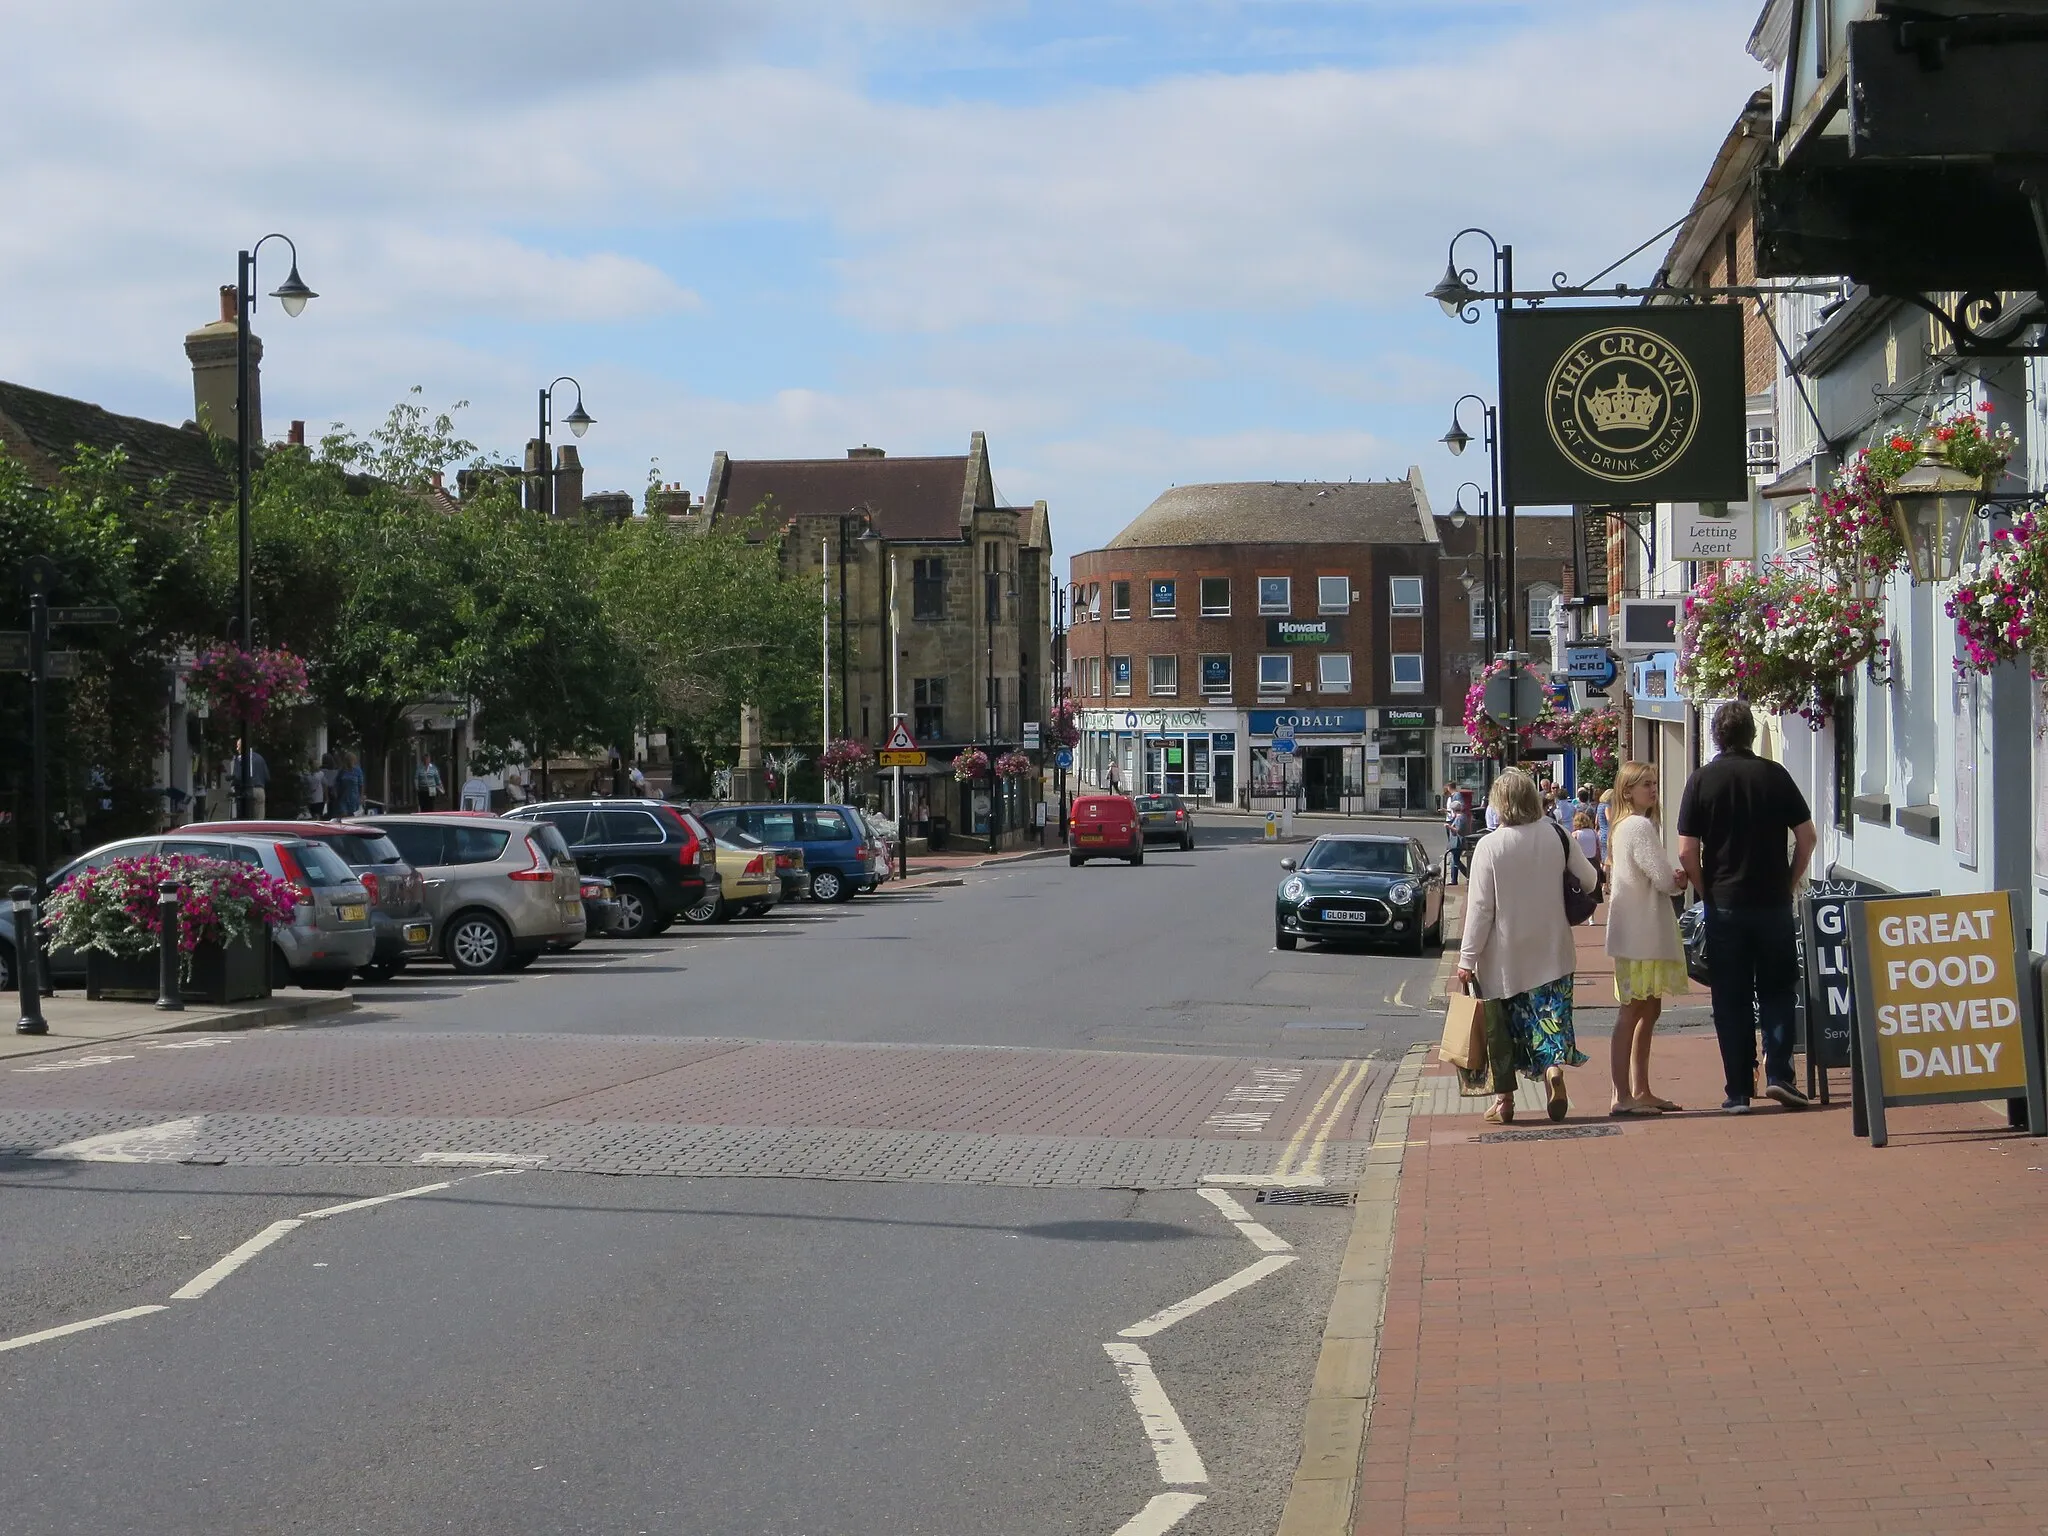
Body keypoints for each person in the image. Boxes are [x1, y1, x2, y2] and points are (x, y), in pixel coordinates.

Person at [1677, 700, 1818, 1114]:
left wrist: (1707, 892)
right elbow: (1807, 836)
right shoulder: (1774, 775)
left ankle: (1738, 1089)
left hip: (1725, 907)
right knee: (1776, 989)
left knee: (1731, 997)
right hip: (1772, 902)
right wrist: (1789, 881)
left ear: (1717, 737)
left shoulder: (1701, 781)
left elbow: (1687, 852)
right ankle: (1780, 1075)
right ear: (1751, 735)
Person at [1456, 767, 1600, 1125]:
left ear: (1499, 805)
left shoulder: (1489, 847)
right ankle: (1553, 1069)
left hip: (1506, 960)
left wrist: (1466, 959)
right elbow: (1590, 878)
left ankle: (1505, 1102)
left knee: (1503, 1032)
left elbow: (1480, 908)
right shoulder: (1557, 834)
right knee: (1549, 1020)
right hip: (1553, 951)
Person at [1602, 761, 1688, 1116]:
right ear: (1627, 792)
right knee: (1634, 1008)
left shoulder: (1624, 825)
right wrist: (1678, 879)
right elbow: (1662, 878)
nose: (1653, 790)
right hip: (1640, 934)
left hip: (1639, 932)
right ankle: (1622, 1094)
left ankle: (1641, 1089)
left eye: (1654, 783)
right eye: (1646, 785)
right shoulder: (1638, 826)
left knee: (1649, 1008)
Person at [334, 750, 364, 818]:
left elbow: (361, 784)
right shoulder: (342, 770)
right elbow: (337, 782)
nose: (351, 761)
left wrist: (361, 796)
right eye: (349, 760)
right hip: (343, 797)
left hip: (354, 797)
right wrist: (335, 792)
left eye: (352, 759)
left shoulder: (357, 770)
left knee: (352, 816)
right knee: (344, 815)